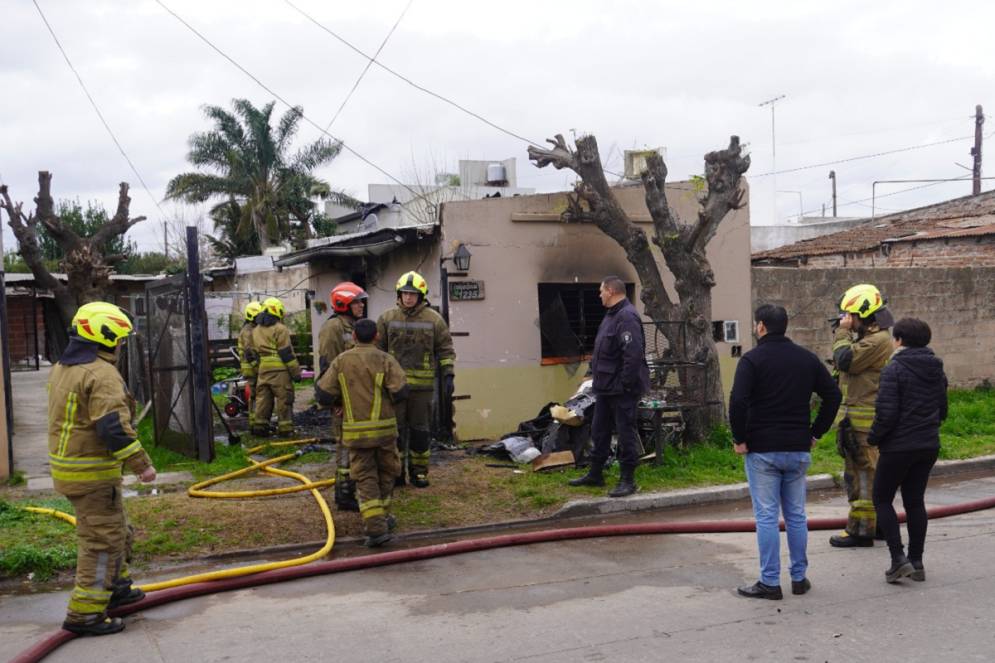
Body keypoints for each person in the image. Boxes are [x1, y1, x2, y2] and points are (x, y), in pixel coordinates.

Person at [48, 302, 157, 636]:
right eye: (119, 339)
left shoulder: (64, 367)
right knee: (101, 543)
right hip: (92, 474)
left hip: (73, 470)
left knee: (116, 530)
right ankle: (85, 614)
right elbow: (113, 428)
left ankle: (117, 588)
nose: (121, 345)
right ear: (106, 337)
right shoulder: (101, 373)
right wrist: (142, 465)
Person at [730, 305, 842, 600]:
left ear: (761, 326)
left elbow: (738, 401)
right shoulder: (806, 358)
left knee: (767, 517)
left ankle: (769, 582)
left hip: (762, 449)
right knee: (796, 515)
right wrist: (816, 432)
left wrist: (739, 438)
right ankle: (799, 577)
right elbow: (833, 395)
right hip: (797, 448)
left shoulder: (752, 360)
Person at [315, 318, 408, 547]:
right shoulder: (386, 360)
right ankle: (381, 519)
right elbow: (401, 392)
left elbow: (323, 394)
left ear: (354, 337)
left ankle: (376, 527)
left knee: (365, 477)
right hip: (385, 432)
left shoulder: (341, 361)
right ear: (377, 336)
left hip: (356, 434)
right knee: (387, 473)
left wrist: (338, 402)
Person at [869, 318, 947, 583]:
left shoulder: (894, 369)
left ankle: (898, 559)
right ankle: (917, 561)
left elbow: (886, 414)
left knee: (881, 498)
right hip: (928, 444)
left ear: (899, 340)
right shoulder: (937, 368)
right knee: (914, 501)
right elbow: (943, 409)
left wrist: (874, 437)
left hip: (898, 447)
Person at [567, 276, 649, 498]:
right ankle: (595, 474)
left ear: (611, 291)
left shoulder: (627, 316)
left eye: (601, 290)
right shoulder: (611, 315)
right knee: (599, 430)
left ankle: (627, 480)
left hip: (622, 390)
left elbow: (633, 355)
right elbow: (603, 351)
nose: (600, 294)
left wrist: (625, 384)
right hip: (604, 387)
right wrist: (592, 375)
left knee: (625, 432)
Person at [830, 283, 895, 548]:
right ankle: (877, 526)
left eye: (850, 315)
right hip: (857, 424)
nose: (847, 320)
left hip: (863, 426)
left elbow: (845, 360)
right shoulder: (871, 339)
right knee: (867, 475)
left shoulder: (877, 341)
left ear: (862, 314)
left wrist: (841, 333)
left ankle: (861, 530)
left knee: (861, 476)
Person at [376, 271, 455, 488]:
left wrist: (448, 374)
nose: (408, 297)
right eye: (405, 293)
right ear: (399, 295)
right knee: (396, 431)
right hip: (394, 387)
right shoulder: (386, 318)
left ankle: (419, 472)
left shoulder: (434, 320)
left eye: (413, 294)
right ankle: (396, 472)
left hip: (422, 389)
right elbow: (377, 352)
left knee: (421, 431)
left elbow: (446, 349)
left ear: (421, 295)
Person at [318, 282, 369, 512]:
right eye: (357, 302)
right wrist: (336, 400)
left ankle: (353, 488)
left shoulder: (353, 326)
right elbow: (329, 367)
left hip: (356, 395)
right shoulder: (333, 328)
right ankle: (344, 493)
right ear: (344, 304)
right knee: (345, 444)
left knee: (356, 442)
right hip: (342, 399)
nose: (361, 305)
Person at [252, 297, 302, 437]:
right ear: (277, 311)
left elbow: (253, 353)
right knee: (284, 398)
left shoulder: (256, 330)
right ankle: (285, 429)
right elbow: (286, 353)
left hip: (263, 370)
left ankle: (260, 427)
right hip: (280, 371)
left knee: (263, 399)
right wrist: (296, 373)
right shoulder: (280, 329)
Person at [237, 301, 262, 427]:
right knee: (254, 395)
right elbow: (248, 351)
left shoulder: (251, 328)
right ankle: (254, 421)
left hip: (251, 367)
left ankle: (256, 419)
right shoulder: (248, 330)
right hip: (251, 368)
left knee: (256, 394)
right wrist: (256, 366)